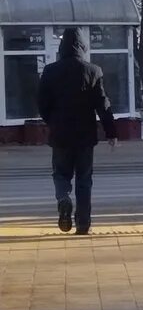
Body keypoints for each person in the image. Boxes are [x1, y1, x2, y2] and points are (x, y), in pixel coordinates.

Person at [37, 27, 117, 235]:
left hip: (60, 134)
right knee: (84, 179)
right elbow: (103, 104)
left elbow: (42, 103)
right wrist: (111, 132)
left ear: (61, 47)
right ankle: (83, 224)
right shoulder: (93, 71)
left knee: (60, 174)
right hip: (85, 136)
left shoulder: (50, 71)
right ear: (82, 46)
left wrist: (51, 121)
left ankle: (63, 198)